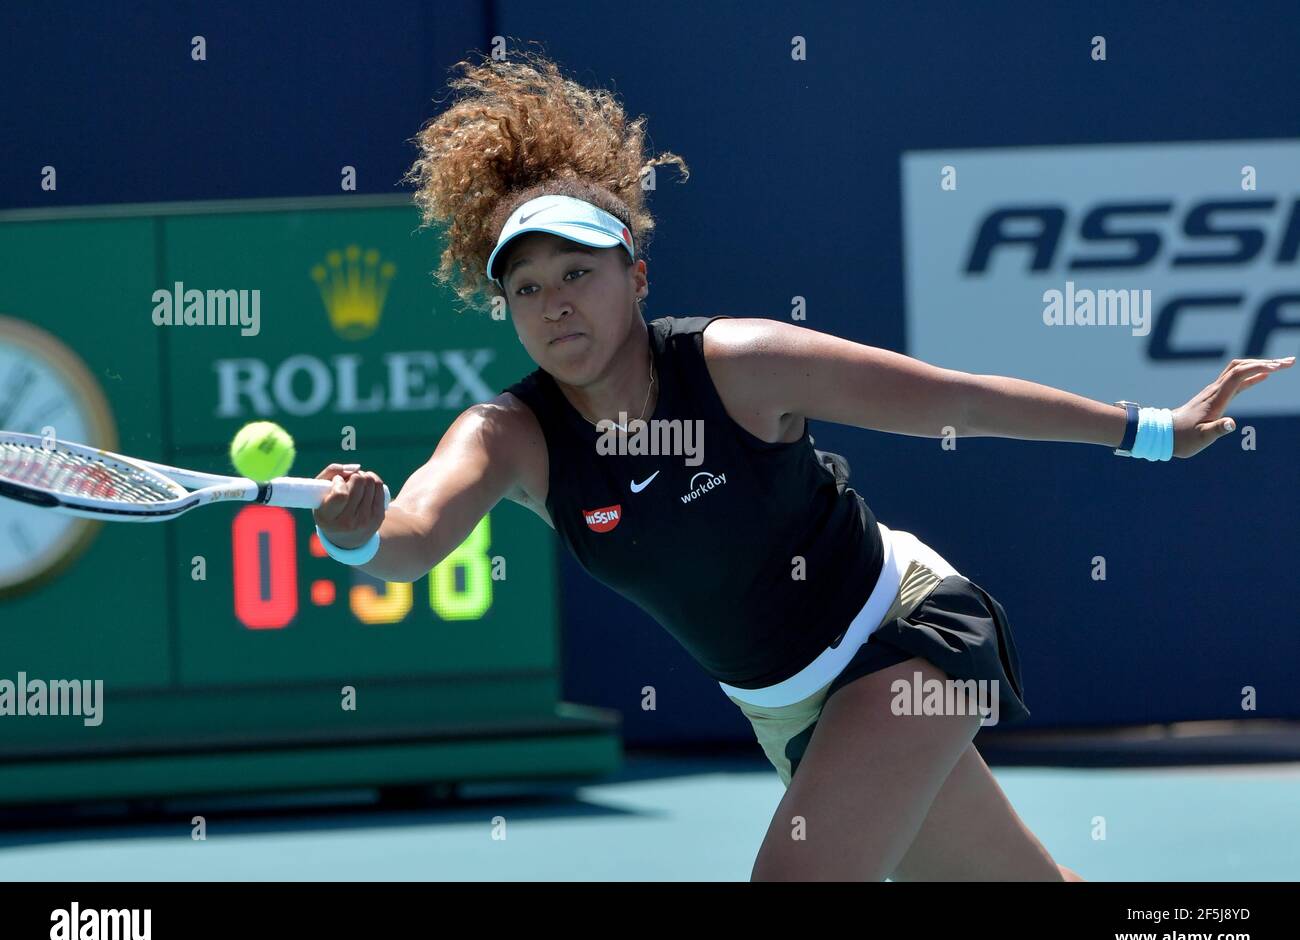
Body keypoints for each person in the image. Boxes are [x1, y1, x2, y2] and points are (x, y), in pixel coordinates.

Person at [311, 52, 1293, 881]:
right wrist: (355, 532)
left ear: (635, 277)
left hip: (910, 633)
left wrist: (1155, 427)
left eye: (577, 273)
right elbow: (414, 536)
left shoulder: (741, 365)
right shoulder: (509, 435)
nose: (555, 303)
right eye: (526, 288)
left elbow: (954, 399)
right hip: (786, 712)